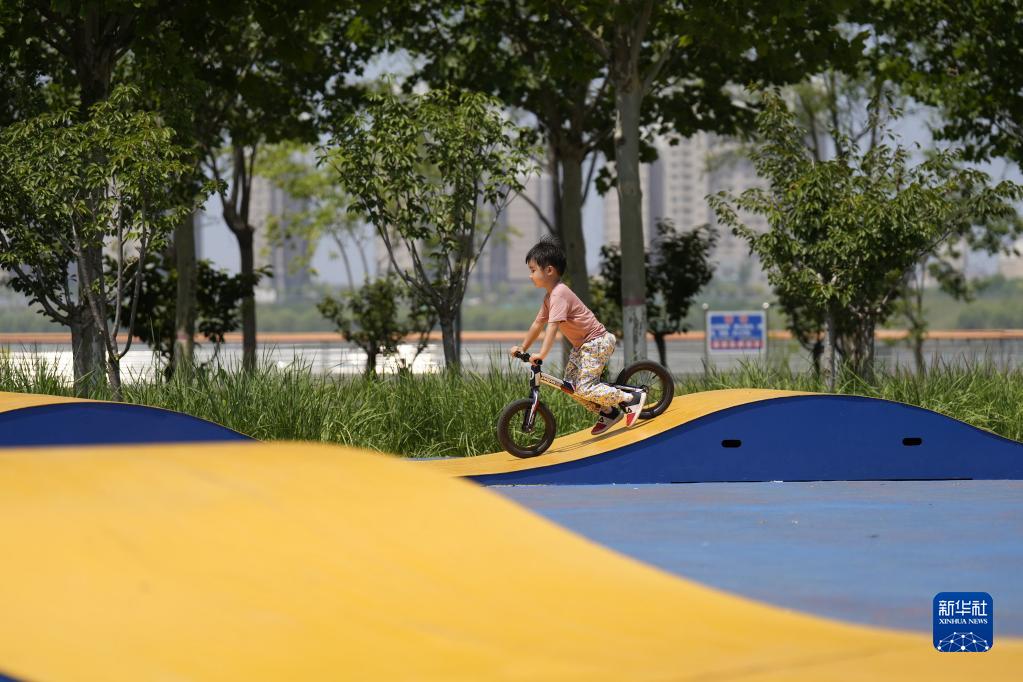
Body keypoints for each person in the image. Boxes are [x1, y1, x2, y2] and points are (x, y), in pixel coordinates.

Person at [509, 238, 646, 435]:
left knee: (584, 388)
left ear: (549, 270)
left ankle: (631, 398)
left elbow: (552, 327)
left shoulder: (559, 294)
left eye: (532, 270)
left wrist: (542, 354)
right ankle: (608, 412)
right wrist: (523, 348)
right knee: (571, 388)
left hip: (597, 341)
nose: (530, 275)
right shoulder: (549, 298)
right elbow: (538, 324)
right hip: (582, 347)